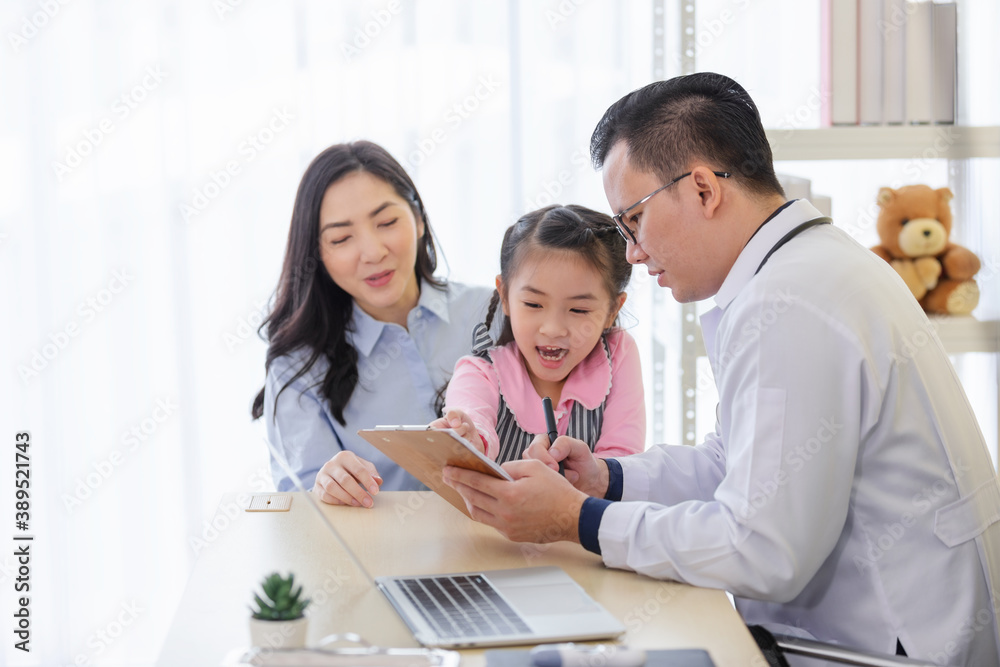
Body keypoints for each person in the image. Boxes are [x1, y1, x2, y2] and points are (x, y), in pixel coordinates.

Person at [441, 73, 1000, 666]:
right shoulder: (804, 269)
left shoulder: (791, 302)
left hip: (884, 649)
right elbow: (731, 463)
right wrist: (606, 480)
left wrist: (579, 519)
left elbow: (764, 551)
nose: (631, 251)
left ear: (704, 190)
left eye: (633, 220)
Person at [251, 140, 492, 507]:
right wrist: (326, 488)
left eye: (387, 222)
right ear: (318, 254)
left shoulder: (493, 313)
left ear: (419, 220)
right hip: (380, 560)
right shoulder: (297, 367)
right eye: (342, 238)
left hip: (515, 552)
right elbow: (303, 511)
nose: (373, 252)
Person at [429, 205, 645, 464]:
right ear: (505, 296)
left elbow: (623, 461)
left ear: (612, 310)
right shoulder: (479, 373)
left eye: (578, 309)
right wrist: (469, 438)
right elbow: (473, 421)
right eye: (533, 304)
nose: (553, 329)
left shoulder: (618, 354)